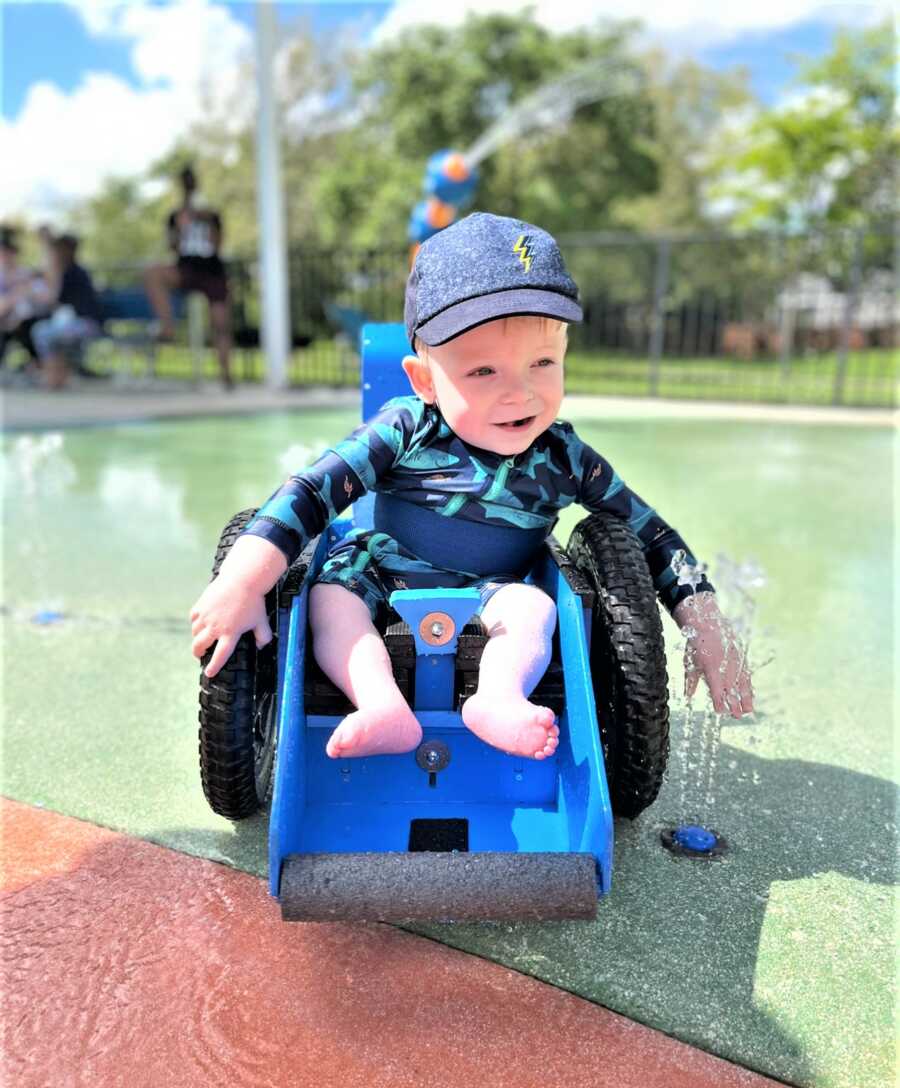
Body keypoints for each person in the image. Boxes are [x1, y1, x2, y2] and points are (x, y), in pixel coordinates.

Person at [190, 212, 753, 763]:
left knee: (534, 609)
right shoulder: (405, 429)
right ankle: (378, 702)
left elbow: (650, 532)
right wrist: (242, 581)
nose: (521, 393)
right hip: (380, 570)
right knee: (329, 601)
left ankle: (498, 698)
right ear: (425, 380)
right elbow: (312, 492)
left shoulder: (564, 457)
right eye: (484, 372)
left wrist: (703, 622)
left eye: (542, 362)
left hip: (497, 585)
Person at [144, 165, 233, 388]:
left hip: (212, 271)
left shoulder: (211, 214)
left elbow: (218, 244)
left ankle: (226, 374)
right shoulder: (175, 216)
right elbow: (173, 247)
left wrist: (205, 221)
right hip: (186, 270)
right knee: (152, 273)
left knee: (220, 324)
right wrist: (182, 228)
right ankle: (168, 326)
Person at [31, 231, 103, 390]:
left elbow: (52, 298)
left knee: (43, 332)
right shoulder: (67, 272)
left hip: (86, 324)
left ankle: (53, 378)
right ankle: (55, 377)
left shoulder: (73, 273)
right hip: (71, 323)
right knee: (46, 332)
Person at [0, 226, 51, 370]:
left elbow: (45, 298)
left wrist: (25, 291)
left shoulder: (26, 274)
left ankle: (39, 366)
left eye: (7, 253)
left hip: (28, 320)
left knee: (28, 326)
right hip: (6, 321)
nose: (4, 257)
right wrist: (15, 296)